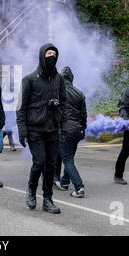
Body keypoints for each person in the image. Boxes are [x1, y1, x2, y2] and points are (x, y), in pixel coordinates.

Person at [16, 43, 67, 214]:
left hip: (53, 129)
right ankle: (31, 191)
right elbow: (20, 107)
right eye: (48, 53)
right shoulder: (29, 79)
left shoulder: (59, 79)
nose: (51, 56)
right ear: (41, 56)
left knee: (51, 166)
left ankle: (47, 199)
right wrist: (22, 130)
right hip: (34, 129)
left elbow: (65, 103)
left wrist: (59, 111)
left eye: (54, 53)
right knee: (40, 162)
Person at [55, 66, 87, 198]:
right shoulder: (79, 93)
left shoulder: (58, 93)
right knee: (70, 158)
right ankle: (64, 182)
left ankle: (79, 188)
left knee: (67, 160)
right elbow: (84, 115)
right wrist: (83, 129)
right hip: (78, 131)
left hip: (65, 131)